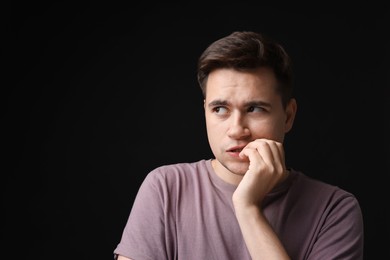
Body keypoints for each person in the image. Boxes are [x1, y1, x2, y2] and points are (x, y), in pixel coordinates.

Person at [113, 31, 364, 260]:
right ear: (205, 113)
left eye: (254, 109)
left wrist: (248, 208)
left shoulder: (334, 209)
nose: (236, 130)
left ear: (288, 116)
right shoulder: (166, 188)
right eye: (220, 109)